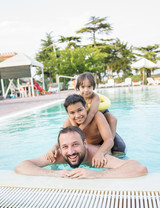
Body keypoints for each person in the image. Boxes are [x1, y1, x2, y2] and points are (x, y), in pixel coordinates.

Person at [14, 126, 148, 179]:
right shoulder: (59, 155)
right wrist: (53, 173)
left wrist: (96, 174)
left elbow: (139, 168)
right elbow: (21, 166)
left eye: (75, 145)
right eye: (65, 146)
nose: (71, 152)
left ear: (85, 144)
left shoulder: (97, 157)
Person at [76, 72, 125, 153]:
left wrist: (80, 129)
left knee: (113, 119)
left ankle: (110, 144)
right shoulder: (78, 98)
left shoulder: (95, 97)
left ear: (94, 87)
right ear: (78, 88)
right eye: (82, 87)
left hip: (101, 111)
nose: (86, 90)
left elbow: (92, 113)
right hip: (90, 113)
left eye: (89, 86)